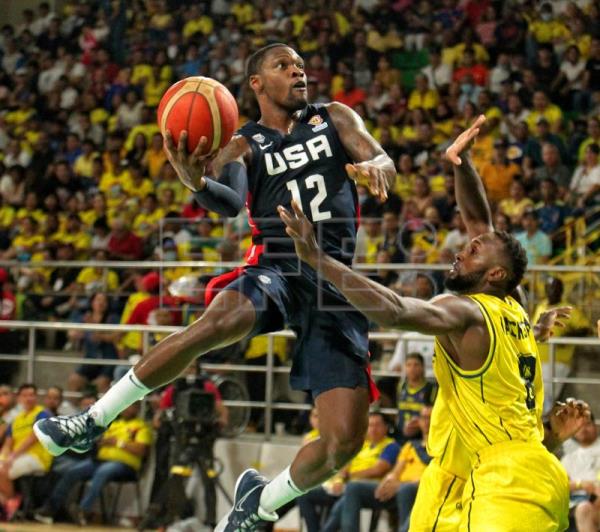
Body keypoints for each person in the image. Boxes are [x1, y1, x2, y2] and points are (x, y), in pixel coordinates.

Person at [34, 43, 395, 531]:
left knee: (343, 442)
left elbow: (380, 156)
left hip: (335, 280)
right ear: (256, 84)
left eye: (300, 65)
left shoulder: (334, 117)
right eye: (283, 65)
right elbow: (227, 201)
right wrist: (197, 184)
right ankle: (92, 420)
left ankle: (260, 502)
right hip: (278, 265)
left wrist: (377, 168)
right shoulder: (243, 143)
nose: (297, 71)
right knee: (217, 323)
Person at [278, 115, 590, 531]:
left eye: (473, 252)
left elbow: (395, 310)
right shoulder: (513, 306)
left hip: (506, 479)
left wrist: (318, 259)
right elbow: (483, 226)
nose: (461, 250)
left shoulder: (466, 311)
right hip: (470, 474)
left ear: (494, 275)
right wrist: (460, 163)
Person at [34, 402, 151, 526]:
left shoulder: (141, 426)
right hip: (99, 461)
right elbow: (98, 441)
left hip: (124, 465)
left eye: (130, 406)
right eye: (126, 406)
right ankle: (50, 508)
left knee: (103, 472)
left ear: (137, 408)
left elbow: (142, 450)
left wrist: (118, 443)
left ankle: (83, 510)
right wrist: (100, 441)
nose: (126, 408)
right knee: (73, 471)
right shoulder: (113, 423)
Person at [338, 405, 432, 532]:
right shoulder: (410, 446)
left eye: (430, 417)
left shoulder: (442, 447)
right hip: (396, 489)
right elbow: (395, 472)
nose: (427, 421)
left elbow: (436, 476)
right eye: (423, 418)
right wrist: (390, 480)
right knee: (353, 487)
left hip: (418, 489)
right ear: (418, 421)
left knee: (406, 490)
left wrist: (402, 484)